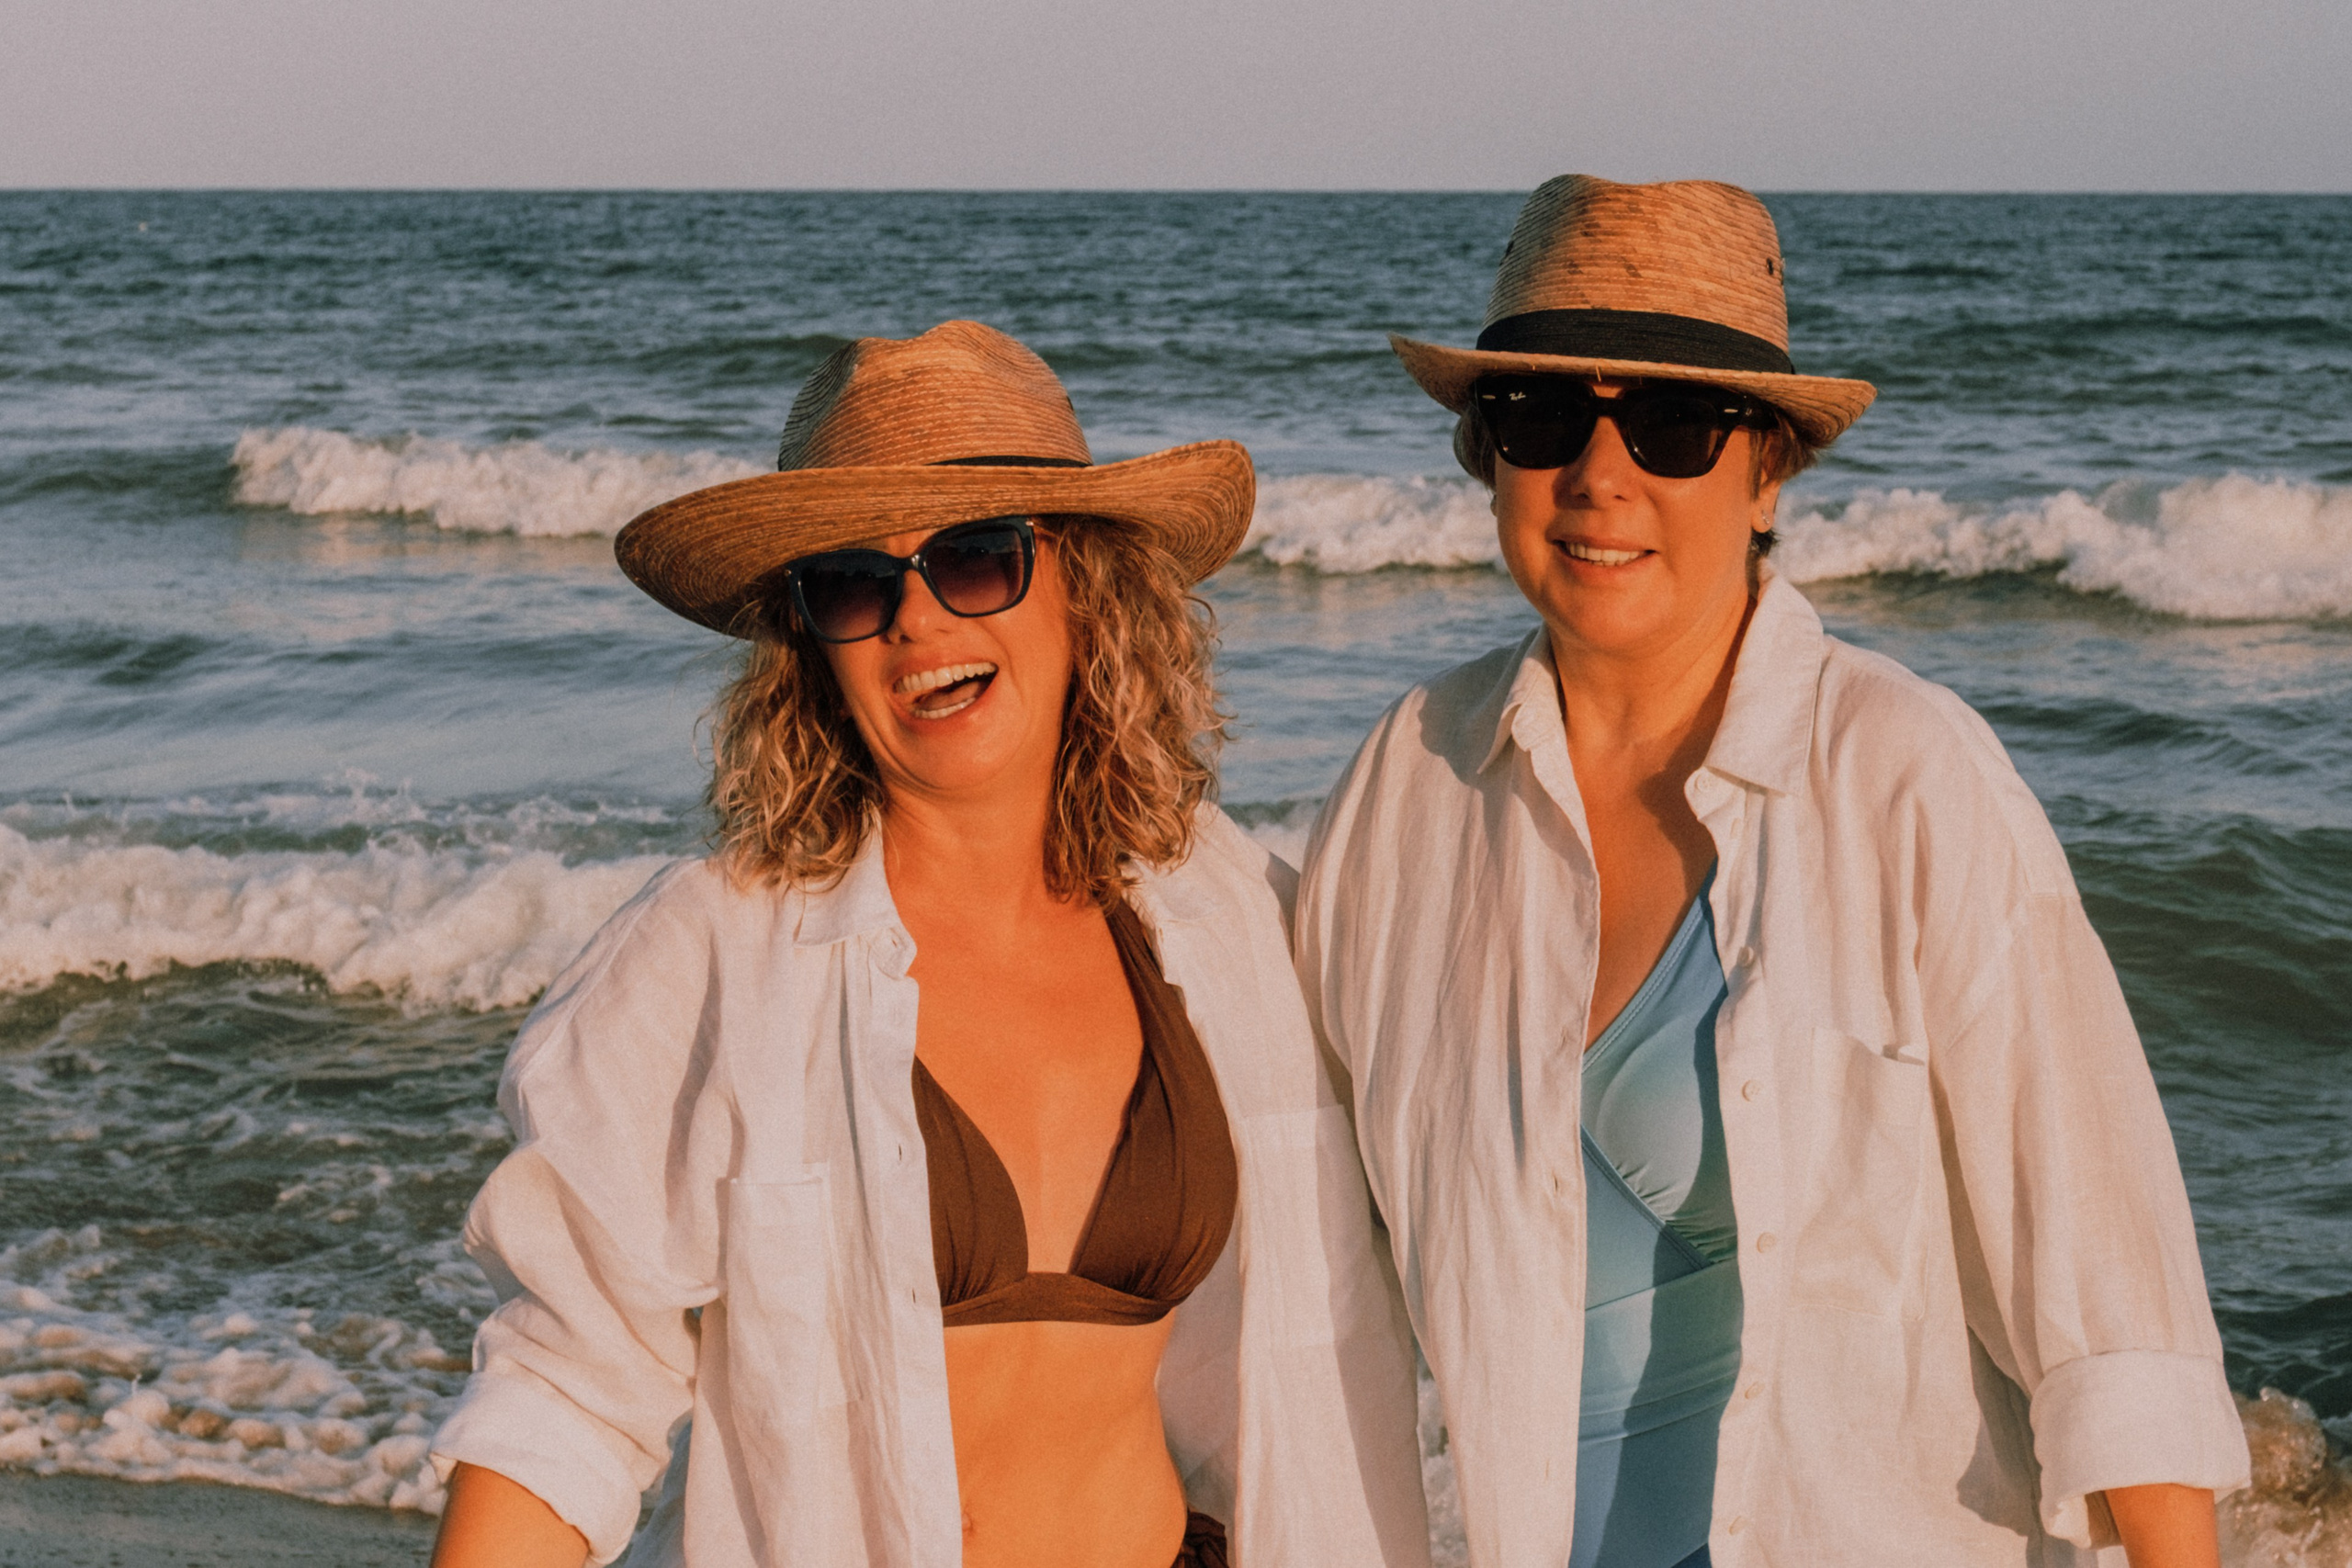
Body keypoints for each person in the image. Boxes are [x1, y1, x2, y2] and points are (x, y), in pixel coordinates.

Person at [1294, 175, 2251, 1568]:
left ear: (1767, 472)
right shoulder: (1410, 784)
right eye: (1543, 417)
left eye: (1675, 426)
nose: (1600, 475)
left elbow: (2111, 1303)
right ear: (1486, 455)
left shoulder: (1905, 775)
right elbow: (1307, 1266)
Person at [426, 321, 1429, 1568]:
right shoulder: (716, 952)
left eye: (975, 557)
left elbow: (1397, 1278)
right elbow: (571, 1386)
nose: (914, 619)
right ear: (812, 647)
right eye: (853, 583)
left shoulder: (1236, 919)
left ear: (1081, 580)